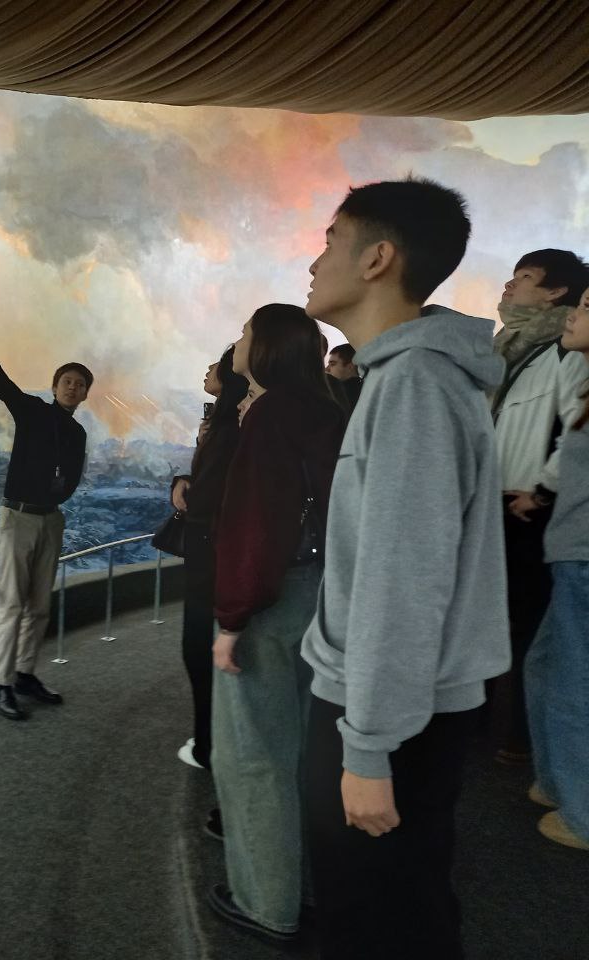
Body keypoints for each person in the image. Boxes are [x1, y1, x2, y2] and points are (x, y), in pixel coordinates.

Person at [300, 177, 509, 960]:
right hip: (393, 703)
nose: (314, 261)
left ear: (377, 259)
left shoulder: (416, 385)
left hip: (387, 713)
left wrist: (367, 748)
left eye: (329, 240)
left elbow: (403, 581)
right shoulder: (407, 376)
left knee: (378, 920)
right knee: (399, 905)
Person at [202, 303, 344, 943]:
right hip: (321, 597)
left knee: (253, 756)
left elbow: (258, 524)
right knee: (302, 755)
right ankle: (302, 885)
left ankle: (267, 903)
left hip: (271, 601)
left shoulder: (270, 414)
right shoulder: (326, 407)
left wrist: (233, 620)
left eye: (245, 332)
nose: (237, 341)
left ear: (267, 348)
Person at [0, 320, 90, 721]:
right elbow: (5, 388)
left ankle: (24, 674)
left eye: (80, 384)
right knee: (12, 602)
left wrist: (57, 496)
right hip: (18, 517)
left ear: (86, 394)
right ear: (54, 387)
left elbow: (72, 476)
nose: (73, 388)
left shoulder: (77, 433)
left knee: (39, 605)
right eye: (67, 382)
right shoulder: (33, 411)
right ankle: (1, 685)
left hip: (51, 520)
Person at [490, 248, 589, 763]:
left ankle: (523, 740)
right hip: (501, 506)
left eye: (524, 277)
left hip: (531, 512)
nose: (510, 285)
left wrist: (543, 491)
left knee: (531, 626)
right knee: (504, 621)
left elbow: (576, 428)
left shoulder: (564, 351)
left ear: (555, 292)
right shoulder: (512, 349)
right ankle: (500, 728)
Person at [525, 284, 589, 851]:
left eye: (587, 308)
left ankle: (582, 812)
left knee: (573, 683)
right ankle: (555, 780)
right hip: (572, 552)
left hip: (582, 556)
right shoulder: (584, 383)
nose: (573, 315)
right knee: (545, 666)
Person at [169, 347, 248, 769]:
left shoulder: (229, 427)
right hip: (213, 550)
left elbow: (214, 493)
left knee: (199, 646)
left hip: (209, 553)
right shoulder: (227, 423)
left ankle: (208, 745)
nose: (208, 368)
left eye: (216, 363)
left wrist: (188, 492)